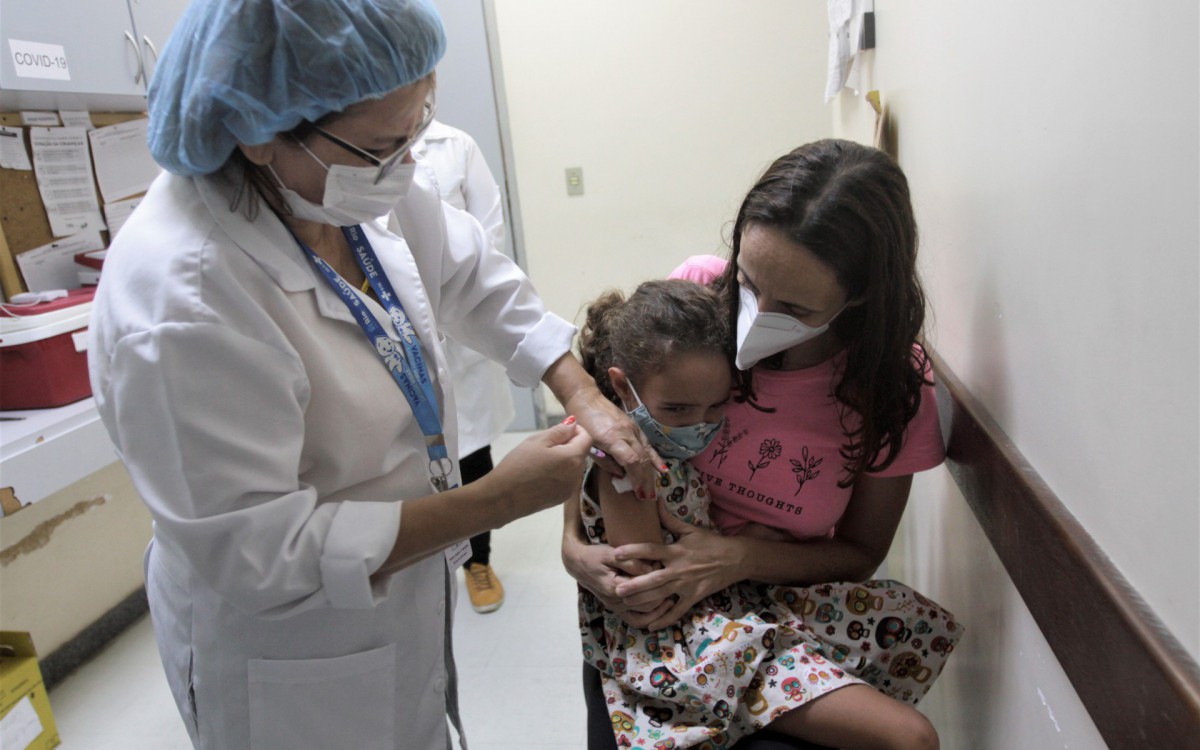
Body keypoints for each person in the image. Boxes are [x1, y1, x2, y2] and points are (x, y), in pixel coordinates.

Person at [86, 2, 659, 748]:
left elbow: (472, 278)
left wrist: (582, 392)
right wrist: (496, 499)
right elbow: (265, 552)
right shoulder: (184, 302)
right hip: (291, 644)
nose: (408, 167)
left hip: (395, 589)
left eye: (418, 127)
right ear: (262, 133)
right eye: (385, 147)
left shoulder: (334, 183)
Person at [564, 140, 961, 750]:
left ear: (858, 294)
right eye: (749, 282)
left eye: (796, 306)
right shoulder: (699, 300)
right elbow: (604, 428)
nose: (754, 317)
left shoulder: (887, 387)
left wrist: (738, 556)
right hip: (675, 622)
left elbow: (861, 551)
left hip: (785, 602)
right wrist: (571, 548)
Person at [413, 119, 514, 612]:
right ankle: (424, 559)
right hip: (398, 331)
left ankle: (478, 561)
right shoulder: (353, 146)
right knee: (412, 455)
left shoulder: (457, 146)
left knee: (471, 451)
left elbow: (487, 237)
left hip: (458, 323)